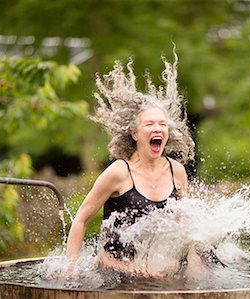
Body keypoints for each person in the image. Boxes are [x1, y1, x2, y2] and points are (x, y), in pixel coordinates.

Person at [65, 49, 195, 277]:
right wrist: (70, 269)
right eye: (150, 124)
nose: (157, 129)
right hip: (115, 271)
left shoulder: (177, 172)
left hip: (157, 272)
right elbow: (81, 218)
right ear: (135, 134)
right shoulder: (119, 172)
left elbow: (187, 228)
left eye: (162, 124)